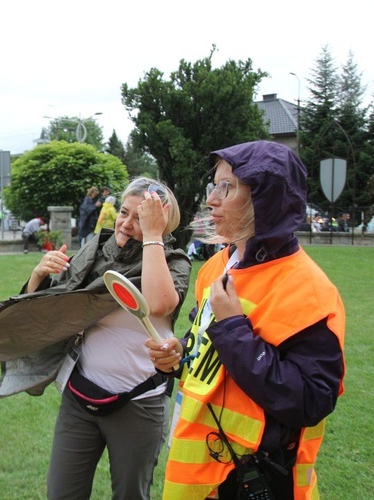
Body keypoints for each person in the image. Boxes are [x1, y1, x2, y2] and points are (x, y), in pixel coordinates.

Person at [146, 141, 345, 499]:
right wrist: (179, 356)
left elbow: (312, 400)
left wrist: (235, 328)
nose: (211, 200)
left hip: (257, 478)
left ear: (265, 199)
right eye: (214, 187)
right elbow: (209, 355)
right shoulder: (217, 265)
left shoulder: (308, 288)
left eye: (228, 187)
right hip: (199, 476)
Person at [24, 177, 191, 499]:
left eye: (139, 218)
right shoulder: (95, 248)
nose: (126, 224)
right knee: (61, 493)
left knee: (130, 493)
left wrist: (153, 235)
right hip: (79, 397)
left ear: (160, 221)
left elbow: (159, 304)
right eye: (124, 213)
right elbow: (48, 310)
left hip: (138, 402)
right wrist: (38, 275)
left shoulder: (173, 261)